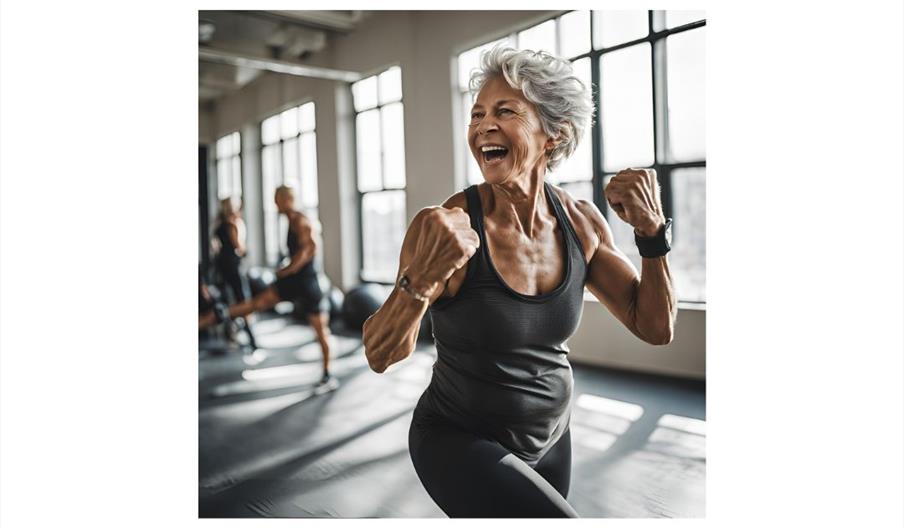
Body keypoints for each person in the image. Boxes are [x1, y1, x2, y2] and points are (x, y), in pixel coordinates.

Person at [362, 46, 677, 518]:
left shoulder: (582, 224)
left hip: (551, 440)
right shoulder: (448, 225)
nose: (483, 126)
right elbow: (379, 353)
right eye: (477, 114)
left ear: (553, 135)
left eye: (505, 111)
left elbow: (655, 326)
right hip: (458, 439)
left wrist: (652, 235)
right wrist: (421, 280)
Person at [199, 185, 336, 389]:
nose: (274, 205)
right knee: (256, 303)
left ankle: (328, 374)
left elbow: (310, 248)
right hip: (293, 280)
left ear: (287, 200)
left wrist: (286, 270)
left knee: (320, 331)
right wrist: (287, 271)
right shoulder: (290, 220)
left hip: (308, 283)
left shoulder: (301, 220)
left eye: (277, 200)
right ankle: (220, 313)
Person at [212, 196, 250, 304]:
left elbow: (215, 244)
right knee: (240, 290)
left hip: (221, 259)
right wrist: (244, 251)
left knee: (227, 290)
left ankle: (230, 315)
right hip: (232, 261)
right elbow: (237, 244)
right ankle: (245, 316)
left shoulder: (219, 223)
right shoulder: (231, 225)